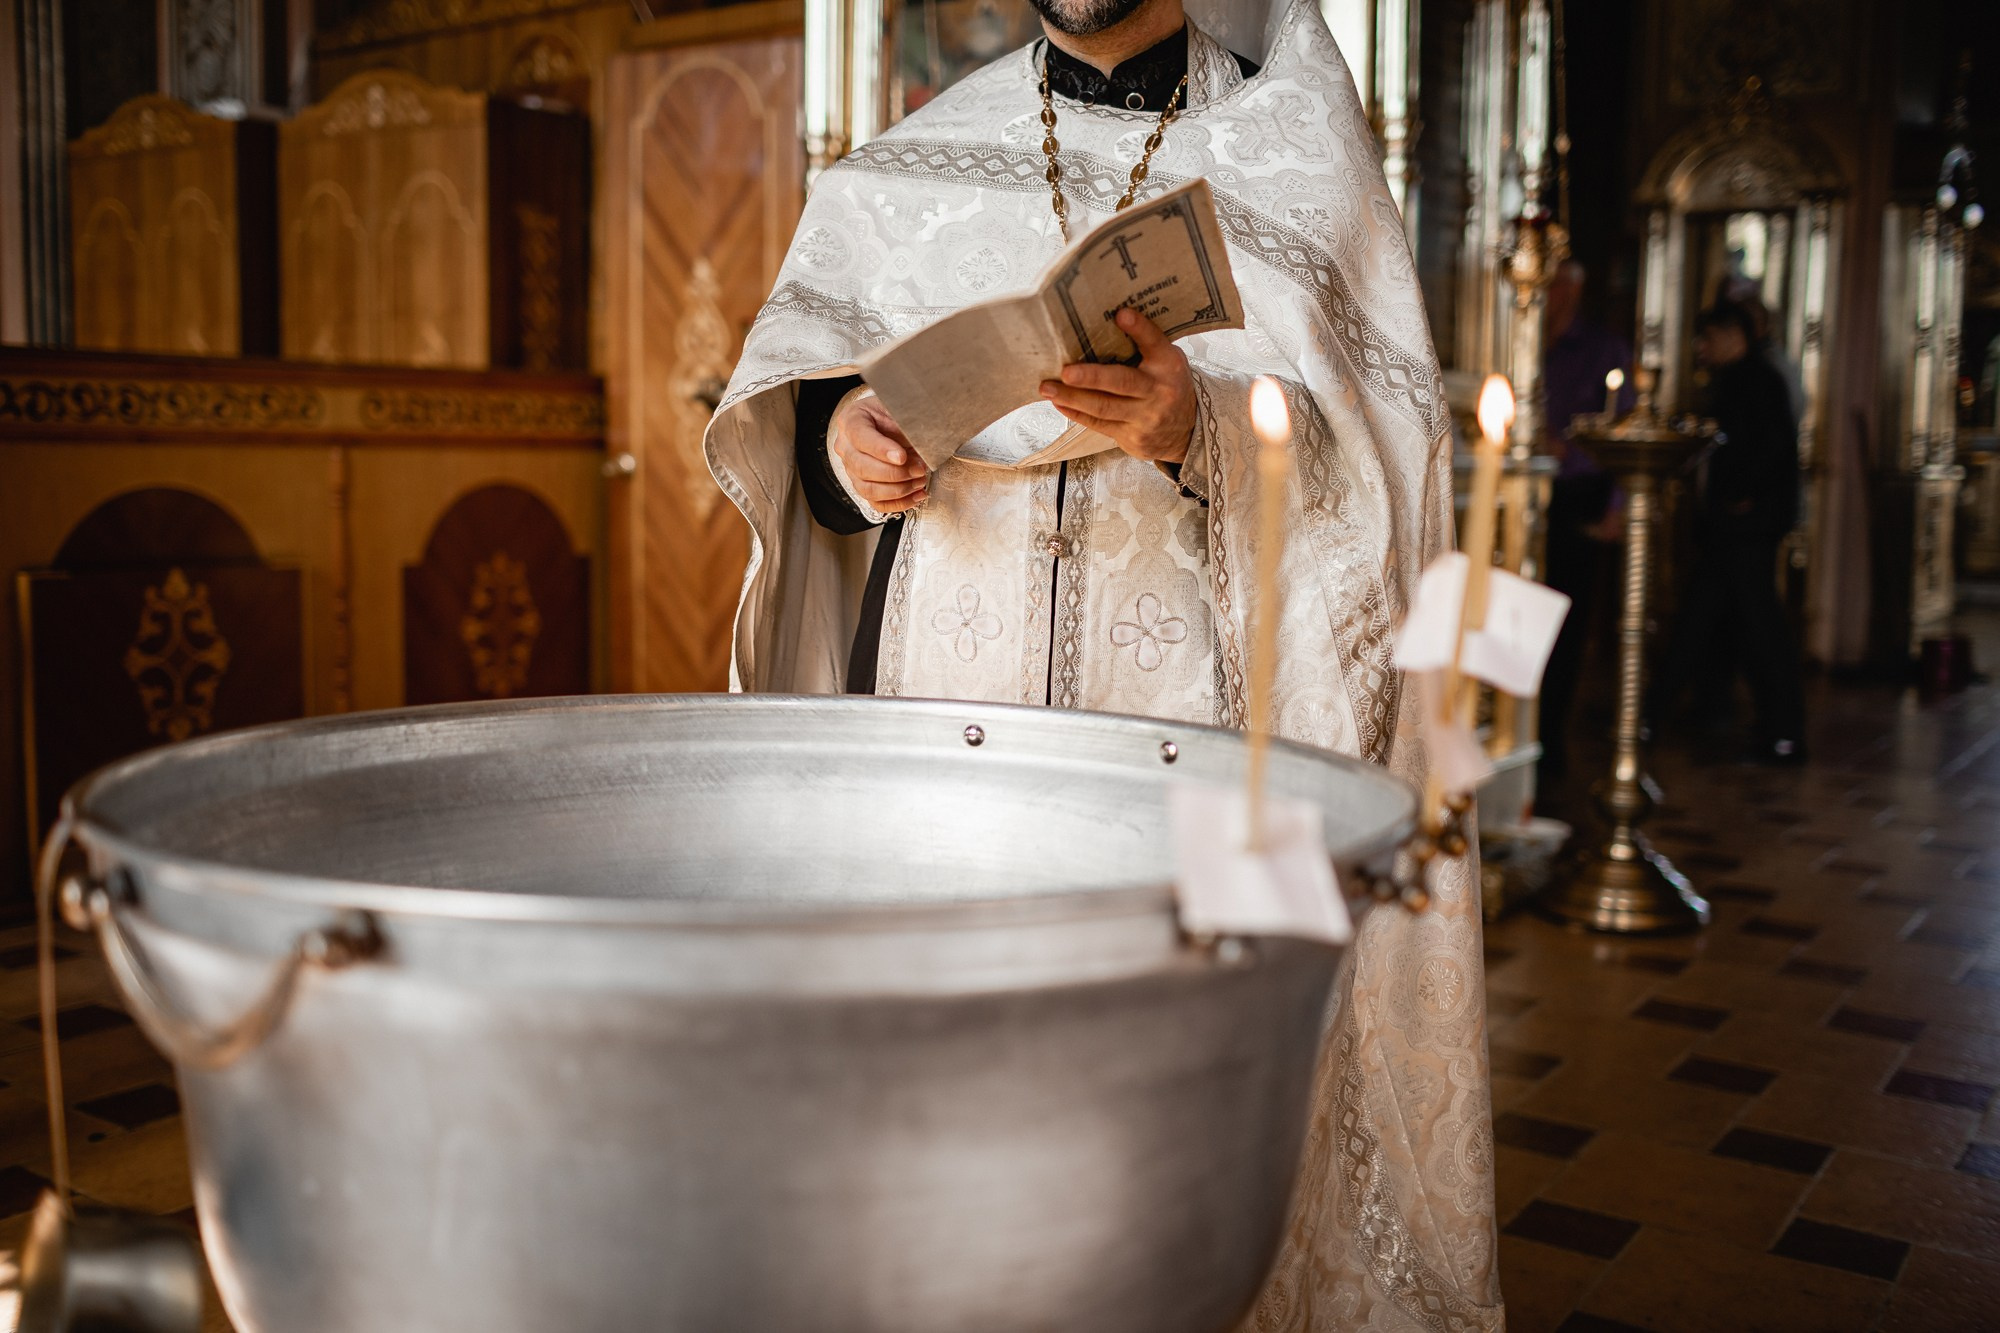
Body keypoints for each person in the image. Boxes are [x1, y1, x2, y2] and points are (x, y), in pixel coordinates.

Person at [703, 0, 1504, 1327]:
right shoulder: (908, 167)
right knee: (958, 1114)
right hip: (947, 754)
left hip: (1181, 760)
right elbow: (800, 464)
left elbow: (1385, 485)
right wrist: (846, 451)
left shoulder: (1298, 155)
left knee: (1161, 1131)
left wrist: (1211, 430)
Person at [1652, 302, 1807, 762]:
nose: (1702, 349)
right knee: (1705, 617)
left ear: (1734, 336)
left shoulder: (1757, 379)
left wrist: (1742, 494)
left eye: (1709, 338)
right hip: (1733, 524)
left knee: (1755, 625)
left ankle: (1784, 731)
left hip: (1747, 524)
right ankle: (1661, 713)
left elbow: (1769, 450)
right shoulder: (1737, 380)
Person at [1536, 261, 1631, 798]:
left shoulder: (1604, 351)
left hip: (1577, 499)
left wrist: (1616, 508)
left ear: (1573, 287)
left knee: (1564, 630)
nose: (1546, 294)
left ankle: (1550, 737)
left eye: (1554, 284)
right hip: (1524, 493)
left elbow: (1623, 431)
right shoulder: (1517, 337)